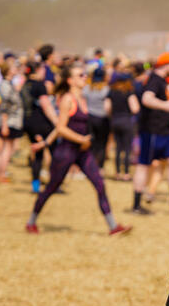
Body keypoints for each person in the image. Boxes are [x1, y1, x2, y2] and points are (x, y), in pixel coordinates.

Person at [25, 64, 131, 236]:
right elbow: (61, 128)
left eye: (84, 74)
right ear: (70, 80)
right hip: (66, 151)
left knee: (99, 183)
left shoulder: (83, 98)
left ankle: (113, 227)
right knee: (52, 186)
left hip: (82, 152)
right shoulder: (68, 99)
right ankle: (31, 222)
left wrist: (45, 143)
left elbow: (59, 126)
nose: (84, 77)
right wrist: (81, 139)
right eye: (80, 75)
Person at [131, 52, 169, 214]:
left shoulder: (159, 80)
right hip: (152, 132)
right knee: (144, 166)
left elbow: (163, 89)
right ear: (167, 65)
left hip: (164, 131)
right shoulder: (154, 79)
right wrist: (166, 105)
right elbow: (147, 99)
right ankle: (136, 205)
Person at [21, 61, 58, 194]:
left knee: (37, 155)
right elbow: (46, 105)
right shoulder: (39, 85)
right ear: (37, 70)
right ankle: (54, 184)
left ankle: (35, 185)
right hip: (41, 123)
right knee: (53, 152)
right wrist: (57, 122)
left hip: (28, 123)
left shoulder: (25, 84)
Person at [0, 60, 25, 182]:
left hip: (8, 121)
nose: (15, 69)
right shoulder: (6, 85)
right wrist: (5, 124)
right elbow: (5, 106)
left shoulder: (7, 84)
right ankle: (2, 174)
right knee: (8, 148)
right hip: (9, 121)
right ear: (7, 70)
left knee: (2, 148)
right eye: (13, 67)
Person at [105, 72, 140, 181]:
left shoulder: (111, 92)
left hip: (115, 121)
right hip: (126, 121)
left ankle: (117, 173)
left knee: (118, 148)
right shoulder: (129, 92)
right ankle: (126, 173)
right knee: (127, 148)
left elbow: (107, 108)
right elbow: (135, 108)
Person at [84, 66, 111, 169]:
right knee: (102, 144)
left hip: (90, 118)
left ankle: (90, 165)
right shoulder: (106, 89)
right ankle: (100, 167)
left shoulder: (87, 88)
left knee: (92, 143)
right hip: (102, 119)